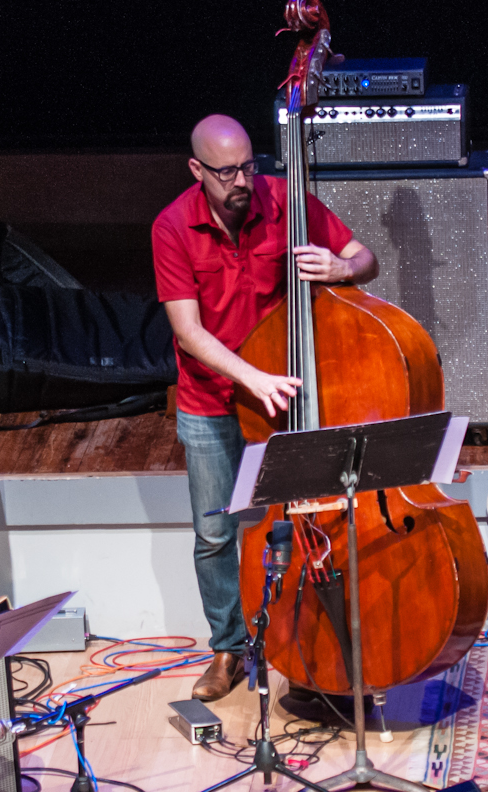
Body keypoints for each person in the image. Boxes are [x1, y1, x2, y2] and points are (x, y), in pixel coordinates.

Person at [152, 115, 378, 703]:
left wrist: (344, 267)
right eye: (226, 171)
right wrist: (252, 378)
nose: (242, 181)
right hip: (214, 400)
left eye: (248, 166)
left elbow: (364, 256)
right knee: (215, 532)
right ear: (197, 170)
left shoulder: (285, 201)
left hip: (285, 395)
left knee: (303, 521)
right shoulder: (172, 227)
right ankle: (228, 649)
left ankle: (304, 645)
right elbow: (188, 333)